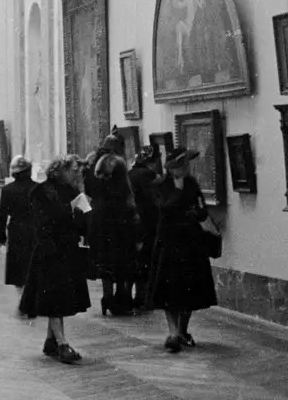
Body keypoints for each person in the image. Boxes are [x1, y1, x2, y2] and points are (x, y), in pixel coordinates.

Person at [18, 155, 92, 362]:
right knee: (56, 298)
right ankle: (62, 344)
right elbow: (45, 220)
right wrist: (71, 209)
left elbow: (79, 222)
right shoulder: (41, 191)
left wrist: (82, 212)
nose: (77, 173)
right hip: (49, 251)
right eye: (74, 169)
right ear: (60, 170)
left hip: (67, 249)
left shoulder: (72, 190)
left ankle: (51, 340)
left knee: (58, 298)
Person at [148, 148, 218, 351]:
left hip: (190, 242)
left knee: (190, 289)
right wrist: (178, 192)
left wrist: (198, 213)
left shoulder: (192, 183)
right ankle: (173, 332)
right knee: (169, 291)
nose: (187, 167)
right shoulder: (161, 186)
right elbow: (164, 210)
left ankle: (181, 330)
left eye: (187, 164)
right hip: (169, 243)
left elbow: (201, 206)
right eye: (183, 164)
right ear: (172, 168)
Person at [85, 132, 138, 315]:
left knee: (104, 261)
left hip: (98, 217)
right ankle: (122, 298)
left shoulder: (93, 164)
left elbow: (88, 190)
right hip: (119, 218)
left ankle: (107, 297)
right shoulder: (119, 164)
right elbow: (126, 192)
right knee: (122, 260)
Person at [128, 147, 163, 309]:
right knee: (148, 260)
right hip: (147, 221)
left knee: (136, 259)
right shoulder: (149, 175)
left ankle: (137, 295)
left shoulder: (129, 173)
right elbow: (154, 199)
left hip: (132, 221)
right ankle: (146, 298)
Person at [0, 155, 37, 286]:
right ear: (29, 170)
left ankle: (20, 295)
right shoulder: (37, 188)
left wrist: (1, 236)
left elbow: (2, 215)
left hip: (16, 230)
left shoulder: (7, 190)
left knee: (18, 265)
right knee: (32, 263)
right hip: (34, 229)